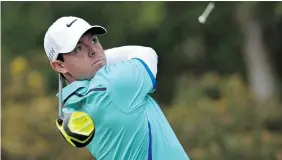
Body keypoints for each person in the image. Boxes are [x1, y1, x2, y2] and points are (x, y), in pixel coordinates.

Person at [44, 16, 189, 160]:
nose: (93, 50)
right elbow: (147, 53)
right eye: (79, 48)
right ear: (59, 65)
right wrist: (102, 58)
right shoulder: (111, 84)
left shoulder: (70, 109)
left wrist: (96, 60)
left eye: (94, 40)